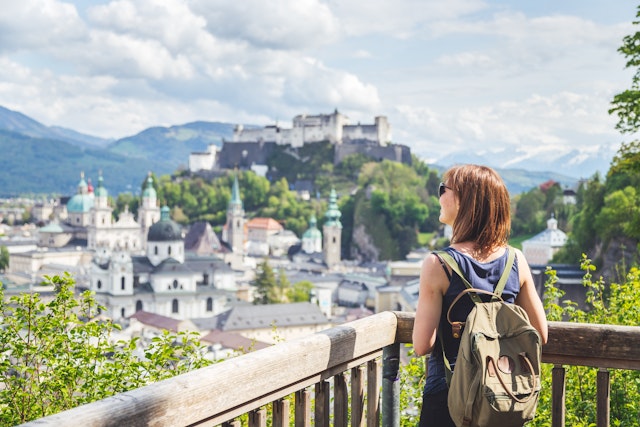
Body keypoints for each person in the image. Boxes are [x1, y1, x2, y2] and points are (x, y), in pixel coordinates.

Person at [412, 164, 548, 427]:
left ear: (465, 201)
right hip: (501, 394)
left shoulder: (438, 264)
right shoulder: (516, 260)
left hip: (450, 398)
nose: (439, 196)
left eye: (443, 189)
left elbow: (421, 344)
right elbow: (540, 334)